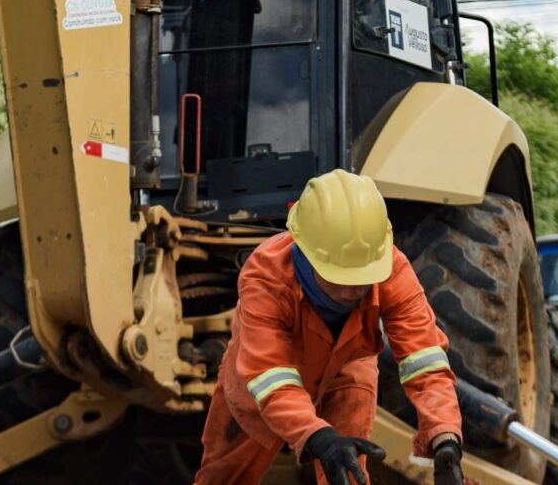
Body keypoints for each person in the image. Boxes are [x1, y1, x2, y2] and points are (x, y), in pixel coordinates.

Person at [193, 170, 464, 485]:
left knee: (348, 475)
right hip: (260, 384)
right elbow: (269, 375)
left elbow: (426, 362)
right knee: (221, 478)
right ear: (307, 255)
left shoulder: (391, 269)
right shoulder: (265, 279)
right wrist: (317, 436)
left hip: (347, 367)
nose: (351, 292)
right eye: (339, 278)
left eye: (362, 280)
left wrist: (445, 439)